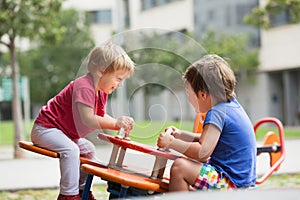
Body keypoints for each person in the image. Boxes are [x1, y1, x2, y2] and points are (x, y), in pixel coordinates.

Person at [31, 42, 135, 200]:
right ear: (101, 71)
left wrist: (117, 123)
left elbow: (99, 115)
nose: (120, 84)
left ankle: (82, 191)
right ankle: (68, 195)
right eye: (119, 79)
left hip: (63, 134)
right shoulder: (84, 86)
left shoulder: (100, 91)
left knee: (89, 149)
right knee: (72, 150)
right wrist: (115, 123)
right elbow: (89, 119)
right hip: (46, 129)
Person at [157, 54, 256, 191]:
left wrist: (171, 143)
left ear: (202, 95)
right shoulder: (230, 107)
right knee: (190, 169)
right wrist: (179, 134)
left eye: (188, 93)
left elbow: (202, 153)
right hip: (240, 184)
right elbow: (207, 141)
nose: (188, 98)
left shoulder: (216, 112)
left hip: (231, 185)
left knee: (180, 167)